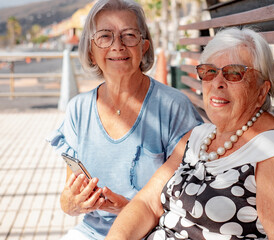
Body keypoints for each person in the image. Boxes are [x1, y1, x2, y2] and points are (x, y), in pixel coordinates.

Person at [105, 27, 274, 239]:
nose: (217, 83)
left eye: (234, 73)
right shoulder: (198, 137)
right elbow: (147, 203)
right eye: (209, 72)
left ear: (261, 91)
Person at [47, 0, 203, 239]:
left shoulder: (173, 107)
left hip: (158, 231)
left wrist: (126, 208)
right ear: (91, 50)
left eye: (128, 35)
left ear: (144, 47)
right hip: (93, 232)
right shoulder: (78, 109)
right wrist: (72, 203)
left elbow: (191, 197)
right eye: (105, 36)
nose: (117, 45)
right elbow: (69, 200)